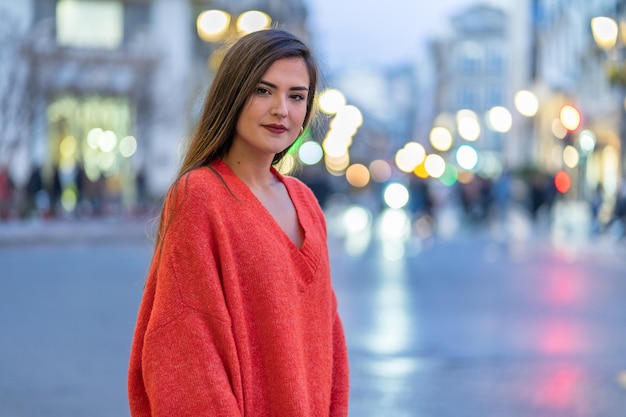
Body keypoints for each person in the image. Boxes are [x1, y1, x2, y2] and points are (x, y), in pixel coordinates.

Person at [127, 29, 350, 417]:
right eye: (264, 91)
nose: (282, 108)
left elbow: (330, 344)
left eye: (296, 96)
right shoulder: (200, 196)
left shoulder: (307, 203)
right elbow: (188, 353)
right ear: (233, 96)